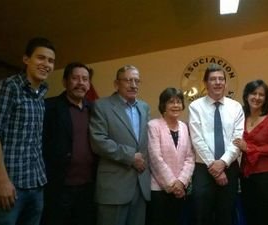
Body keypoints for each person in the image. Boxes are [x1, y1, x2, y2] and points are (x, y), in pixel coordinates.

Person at [0, 37, 55, 224]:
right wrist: (2, 181)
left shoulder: (41, 93)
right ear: (26, 59)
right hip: (11, 186)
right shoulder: (9, 87)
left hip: (36, 183)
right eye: (40, 58)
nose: (46, 64)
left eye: (51, 61)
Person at [89, 65, 150, 225]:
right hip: (114, 187)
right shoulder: (102, 106)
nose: (133, 85)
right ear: (116, 84)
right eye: (128, 80)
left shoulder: (144, 107)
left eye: (137, 81)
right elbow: (98, 141)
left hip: (140, 185)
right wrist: (130, 156)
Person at [188, 63, 244, 225]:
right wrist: (215, 168)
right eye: (213, 79)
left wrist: (223, 162)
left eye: (221, 79)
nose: (218, 82)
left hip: (230, 167)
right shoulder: (195, 106)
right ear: (205, 83)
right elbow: (197, 139)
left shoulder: (236, 107)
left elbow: (237, 138)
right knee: (202, 215)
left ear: (226, 83)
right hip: (203, 168)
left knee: (226, 214)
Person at [42, 62, 97, 225]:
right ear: (65, 82)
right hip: (58, 187)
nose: (81, 83)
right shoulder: (49, 107)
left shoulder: (95, 109)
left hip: (88, 187)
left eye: (85, 79)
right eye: (75, 78)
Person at [233, 79, 268, 225]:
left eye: (261, 94)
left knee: (265, 217)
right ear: (246, 96)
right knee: (249, 215)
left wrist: (249, 148)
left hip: (267, 176)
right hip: (246, 175)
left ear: (266, 98)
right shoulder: (240, 118)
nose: (257, 97)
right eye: (253, 93)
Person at [147, 87, 195, 225]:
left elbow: (190, 157)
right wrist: (173, 185)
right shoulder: (153, 125)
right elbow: (155, 158)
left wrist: (181, 182)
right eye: (171, 102)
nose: (175, 105)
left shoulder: (184, 127)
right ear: (163, 105)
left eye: (179, 102)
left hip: (181, 189)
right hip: (159, 190)